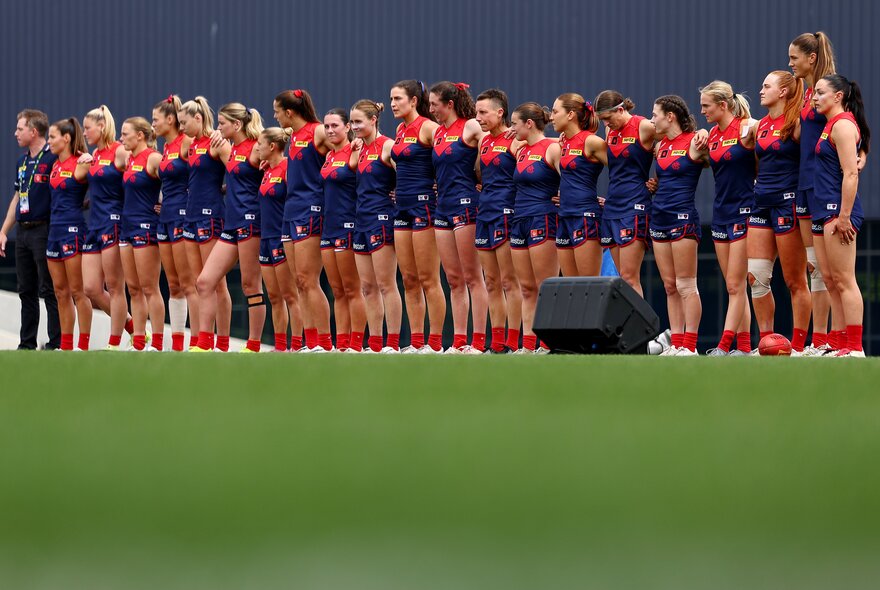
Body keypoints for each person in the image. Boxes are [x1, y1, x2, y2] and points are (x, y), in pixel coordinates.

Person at [748, 71, 811, 354]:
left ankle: (798, 347)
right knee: (756, 277)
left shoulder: (796, 122)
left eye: (766, 86)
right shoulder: (759, 125)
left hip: (788, 204)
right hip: (761, 202)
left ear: (783, 91)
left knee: (794, 280)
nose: (761, 91)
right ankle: (767, 343)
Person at [197, 103, 266, 353]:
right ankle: (206, 344)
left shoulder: (258, 146)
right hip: (232, 222)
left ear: (236, 125)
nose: (218, 127)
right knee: (204, 282)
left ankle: (254, 345)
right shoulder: (230, 147)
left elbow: (280, 166)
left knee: (250, 286)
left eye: (222, 123)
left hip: (252, 222)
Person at [811, 74, 870, 357]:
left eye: (821, 92)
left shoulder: (844, 124)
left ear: (838, 96)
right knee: (831, 280)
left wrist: (844, 216)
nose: (814, 97)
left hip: (838, 211)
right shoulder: (830, 124)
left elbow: (850, 174)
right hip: (824, 210)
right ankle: (838, 343)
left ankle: (855, 347)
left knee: (845, 280)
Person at [429, 81, 489, 354]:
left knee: (473, 277)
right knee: (453, 279)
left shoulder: (470, 126)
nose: (431, 109)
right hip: (443, 206)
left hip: (467, 205)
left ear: (450, 104)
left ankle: (478, 341)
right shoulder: (438, 133)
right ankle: (459, 341)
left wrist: (482, 180)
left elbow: (493, 146)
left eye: (434, 104)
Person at [789, 32, 838, 354]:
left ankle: (830, 339)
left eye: (794, 58)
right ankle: (818, 340)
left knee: (830, 269)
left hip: (823, 184)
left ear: (811, 58)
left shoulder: (831, 90)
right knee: (813, 265)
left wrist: (860, 156)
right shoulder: (806, 94)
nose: (790, 63)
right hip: (803, 183)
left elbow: (853, 125)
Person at [273, 89, 332, 352]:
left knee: (309, 280)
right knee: (299, 281)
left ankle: (325, 342)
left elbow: (345, 149)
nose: (274, 116)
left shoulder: (317, 131)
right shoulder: (293, 135)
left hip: (311, 209)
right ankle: (310, 342)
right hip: (290, 210)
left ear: (289, 112)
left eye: (276, 111)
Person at [699, 81, 756, 356]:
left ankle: (724, 346)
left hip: (745, 211)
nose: (702, 111)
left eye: (706, 106)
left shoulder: (747, 127)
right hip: (721, 212)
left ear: (723, 105)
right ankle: (743, 349)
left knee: (736, 284)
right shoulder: (711, 134)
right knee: (734, 286)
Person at [389, 80, 446, 353]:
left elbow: (452, 156)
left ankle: (434, 344)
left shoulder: (428, 127)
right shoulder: (400, 130)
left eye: (398, 98)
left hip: (425, 207)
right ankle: (416, 341)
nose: (393, 103)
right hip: (402, 206)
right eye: (391, 99)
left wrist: (444, 183)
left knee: (428, 278)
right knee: (409, 279)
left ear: (413, 100)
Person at [649, 95, 708, 356]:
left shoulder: (694, 141)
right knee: (670, 286)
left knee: (686, 285)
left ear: (670, 116)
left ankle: (690, 346)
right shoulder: (660, 145)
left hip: (682, 218)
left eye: (655, 115)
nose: (652, 120)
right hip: (658, 216)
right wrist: (655, 186)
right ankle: (677, 342)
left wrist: (705, 131)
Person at [0, 109, 60, 350]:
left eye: (20, 128)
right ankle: (27, 343)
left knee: (49, 287)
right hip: (23, 231)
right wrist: (4, 231)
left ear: (33, 131)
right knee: (26, 289)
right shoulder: (22, 161)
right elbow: (17, 198)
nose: (15, 133)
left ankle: (55, 342)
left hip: (44, 229)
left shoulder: (53, 157)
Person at [179, 97, 232, 352]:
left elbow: (239, 172)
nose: (181, 128)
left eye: (184, 122)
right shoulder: (191, 144)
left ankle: (218, 342)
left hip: (210, 216)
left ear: (198, 118)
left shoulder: (216, 142)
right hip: (190, 216)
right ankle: (203, 339)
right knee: (197, 282)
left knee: (214, 283)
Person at [350, 100, 402, 353]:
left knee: (386, 284)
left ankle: (392, 343)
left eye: (358, 121)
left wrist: (398, 195)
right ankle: (375, 344)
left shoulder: (388, 146)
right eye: (352, 122)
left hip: (381, 219)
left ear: (373, 120)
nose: (354, 126)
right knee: (367, 287)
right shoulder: (359, 149)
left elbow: (407, 175)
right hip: (361, 220)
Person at [509, 102, 560, 354]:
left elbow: (571, 178)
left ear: (529, 124)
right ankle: (529, 345)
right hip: (520, 220)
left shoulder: (553, 147)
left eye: (515, 123)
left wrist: (564, 196)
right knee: (526, 287)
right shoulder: (519, 148)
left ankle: (549, 343)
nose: (511, 128)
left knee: (545, 286)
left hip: (543, 219)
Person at [474, 89, 523, 353]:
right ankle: (497, 342)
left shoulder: (514, 140)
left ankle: (514, 342)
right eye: (476, 112)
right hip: (485, 213)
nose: (478, 117)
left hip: (507, 213)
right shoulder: (484, 142)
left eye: (483, 112)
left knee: (509, 281)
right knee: (491, 282)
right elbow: (479, 175)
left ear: (500, 112)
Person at [594, 91, 655, 296]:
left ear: (620, 109)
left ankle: (638, 329)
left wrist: (658, 181)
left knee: (630, 278)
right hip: (613, 206)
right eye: (603, 121)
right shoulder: (610, 132)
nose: (607, 124)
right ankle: (626, 328)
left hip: (635, 205)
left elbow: (676, 138)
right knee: (621, 279)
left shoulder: (643, 126)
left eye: (608, 119)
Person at [80, 105, 130, 350]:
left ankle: (114, 341)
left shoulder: (119, 151)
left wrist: (158, 201)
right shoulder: (95, 155)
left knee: (114, 286)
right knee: (90, 287)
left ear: (101, 126)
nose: (85, 133)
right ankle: (132, 326)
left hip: (113, 222)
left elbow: (143, 172)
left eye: (87, 128)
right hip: (94, 224)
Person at [320, 109, 367, 352]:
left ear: (347, 127)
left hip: (349, 224)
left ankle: (356, 344)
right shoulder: (328, 155)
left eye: (335, 125)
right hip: (329, 226)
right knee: (337, 290)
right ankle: (342, 344)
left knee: (352, 288)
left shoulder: (356, 149)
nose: (330, 130)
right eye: (326, 126)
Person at [153, 94, 197, 351]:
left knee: (189, 282)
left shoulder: (185, 143)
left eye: (156, 119)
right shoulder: (166, 148)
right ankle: (177, 344)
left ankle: (199, 342)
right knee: (173, 284)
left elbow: (203, 173)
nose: (153, 125)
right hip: (165, 217)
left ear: (171, 120)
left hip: (183, 217)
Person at [45, 118, 92, 350]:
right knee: (60, 291)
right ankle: (66, 346)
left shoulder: (81, 163)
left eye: (52, 137)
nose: (49, 141)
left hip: (73, 231)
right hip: (54, 231)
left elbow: (107, 182)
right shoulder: (54, 165)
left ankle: (82, 346)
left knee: (78, 291)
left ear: (66, 138)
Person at [118, 117, 165, 351]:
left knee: (149, 288)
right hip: (126, 227)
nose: (121, 138)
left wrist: (164, 203)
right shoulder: (129, 159)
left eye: (125, 134)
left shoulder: (153, 158)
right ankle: (138, 342)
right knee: (133, 289)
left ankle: (157, 343)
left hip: (146, 227)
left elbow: (177, 183)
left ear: (140, 135)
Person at [256, 127, 304, 352]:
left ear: (272, 146)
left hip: (282, 237)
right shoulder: (266, 170)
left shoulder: (287, 168)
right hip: (266, 238)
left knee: (291, 295)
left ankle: (296, 345)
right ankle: (280, 347)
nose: (257, 148)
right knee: (274, 296)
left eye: (260, 143)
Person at [550, 93, 606, 277]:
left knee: (588, 286)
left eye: (555, 111)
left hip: (585, 216)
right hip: (565, 215)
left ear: (570, 114)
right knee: (570, 288)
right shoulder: (563, 141)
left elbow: (623, 168)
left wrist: (613, 199)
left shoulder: (591, 141)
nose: (551, 117)